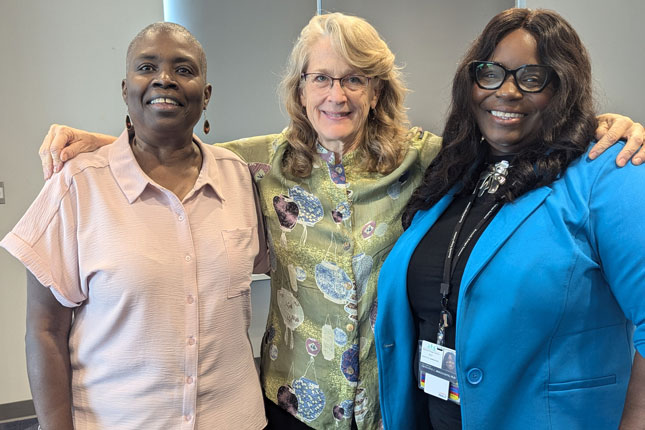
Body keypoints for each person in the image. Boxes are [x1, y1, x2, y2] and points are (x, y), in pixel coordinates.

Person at [36, 13, 645, 430]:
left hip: (390, 402)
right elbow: (174, 149)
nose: (338, 94)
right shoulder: (258, 163)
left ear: (376, 91)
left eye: (355, 78)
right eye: (321, 78)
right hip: (293, 403)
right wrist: (100, 141)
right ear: (300, 90)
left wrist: (601, 125)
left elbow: (511, 136)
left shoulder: (429, 159)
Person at [375, 8, 645, 430]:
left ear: (563, 88)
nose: (507, 91)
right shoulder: (454, 174)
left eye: (532, 78)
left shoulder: (608, 173)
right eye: (491, 73)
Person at [1, 23, 269, 429]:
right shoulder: (78, 186)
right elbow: (44, 331)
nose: (164, 78)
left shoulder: (240, 179)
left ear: (206, 94)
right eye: (148, 67)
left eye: (184, 69)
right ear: (126, 88)